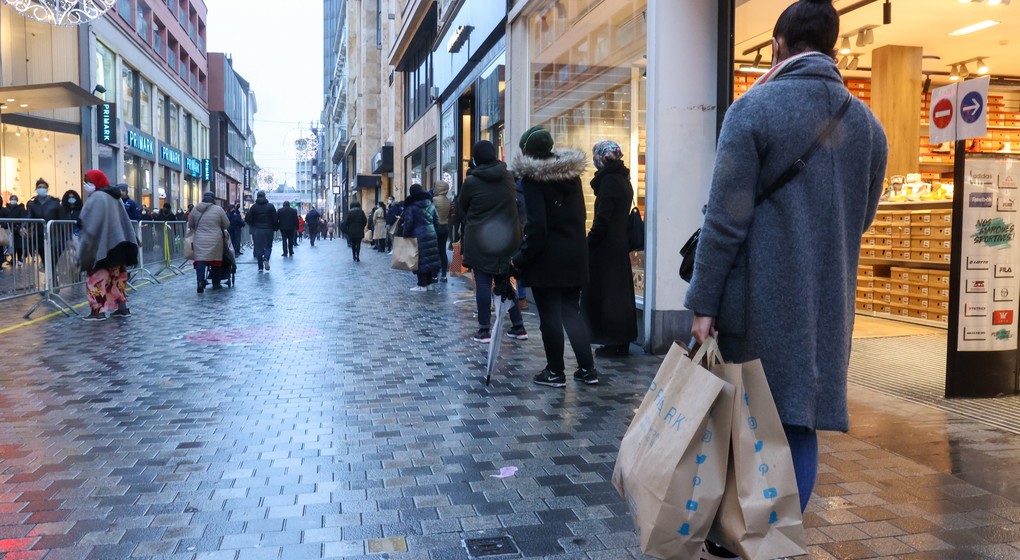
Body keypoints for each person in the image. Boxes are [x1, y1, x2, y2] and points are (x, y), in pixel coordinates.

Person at [685, 0, 888, 533]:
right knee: (798, 423)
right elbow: (861, 219)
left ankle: (737, 534)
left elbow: (724, 222)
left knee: (741, 416)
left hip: (756, 299)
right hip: (826, 302)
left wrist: (703, 304)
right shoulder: (868, 125)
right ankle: (773, 536)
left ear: (777, 45)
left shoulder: (753, 109)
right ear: (834, 47)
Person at [510, 126, 597, 387]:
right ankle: (587, 369)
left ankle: (555, 372)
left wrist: (519, 259)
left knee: (550, 316)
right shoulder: (571, 176)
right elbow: (580, 216)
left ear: (527, 151)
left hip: (549, 261)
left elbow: (537, 228)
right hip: (575, 255)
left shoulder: (533, 179)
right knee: (572, 312)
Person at [458, 140, 528, 343]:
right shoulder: (507, 177)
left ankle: (484, 330)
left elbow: (463, 207)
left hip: (480, 238)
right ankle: (518, 327)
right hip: (506, 238)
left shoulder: (471, 182)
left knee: (482, 283)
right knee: (504, 282)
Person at [581, 140, 638, 357]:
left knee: (608, 296)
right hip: (619, 245)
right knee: (619, 294)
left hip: (606, 248)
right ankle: (620, 340)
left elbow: (602, 221)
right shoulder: (624, 179)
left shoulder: (609, 182)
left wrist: (589, 242)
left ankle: (613, 341)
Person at [77, 170, 138, 321]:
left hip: (102, 248)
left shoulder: (97, 198)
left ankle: (98, 311)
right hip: (119, 245)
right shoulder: (114, 197)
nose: (86, 185)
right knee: (117, 280)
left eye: (88, 182)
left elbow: (89, 223)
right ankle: (122, 309)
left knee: (96, 280)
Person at [188, 192, 231, 293]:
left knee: (201, 261)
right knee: (215, 261)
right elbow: (226, 224)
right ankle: (216, 283)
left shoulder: (195, 209)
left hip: (199, 239)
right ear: (213, 199)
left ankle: (200, 282)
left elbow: (191, 225)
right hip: (215, 240)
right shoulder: (219, 210)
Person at [401, 184, 440, 291]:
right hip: (431, 233)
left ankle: (422, 285)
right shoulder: (431, 204)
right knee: (429, 259)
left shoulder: (411, 207)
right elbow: (437, 221)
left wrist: (405, 235)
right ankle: (429, 284)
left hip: (417, 236)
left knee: (420, 260)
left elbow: (408, 224)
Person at [27, 178, 66, 265]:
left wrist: (66, 237)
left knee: (53, 260)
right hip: (40, 236)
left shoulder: (55, 202)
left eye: (44, 187)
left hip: (55, 236)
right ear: (36, 189)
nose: (42, 188)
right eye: (39, 187)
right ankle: (50, 277)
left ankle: (52, 277)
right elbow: (29, 217)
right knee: (45, 261)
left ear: (47, 189)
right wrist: (24, 227)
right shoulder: (32, 204)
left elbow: (62, 219)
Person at [245, 191, 279, 271]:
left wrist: (252, 225)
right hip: (268, 229)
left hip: (257, 230)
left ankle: (260, 267)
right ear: (265, 196)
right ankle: (266, 258)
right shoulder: (270, 206)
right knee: (268, 246)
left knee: (258, 248)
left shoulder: (254, 207)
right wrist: (275, 227)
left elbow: (249, 219)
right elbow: (275, 218)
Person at [433, 181, 453, 282]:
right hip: (445, 227)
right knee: (443, 251)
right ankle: (444, 275)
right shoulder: (448, 200)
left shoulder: (434, 200)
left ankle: (435, 275)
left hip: (436, 227)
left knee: (435, 252)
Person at [1, 194, 27, 266]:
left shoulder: (21, 208)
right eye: (12, 199)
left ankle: (19, 259)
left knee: (19, 245)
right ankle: (13, 258)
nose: (13, 200)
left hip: (18, 229)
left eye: (14, 199)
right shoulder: (7, 208)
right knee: (11, 246)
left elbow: (23, 218)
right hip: (9, 229)